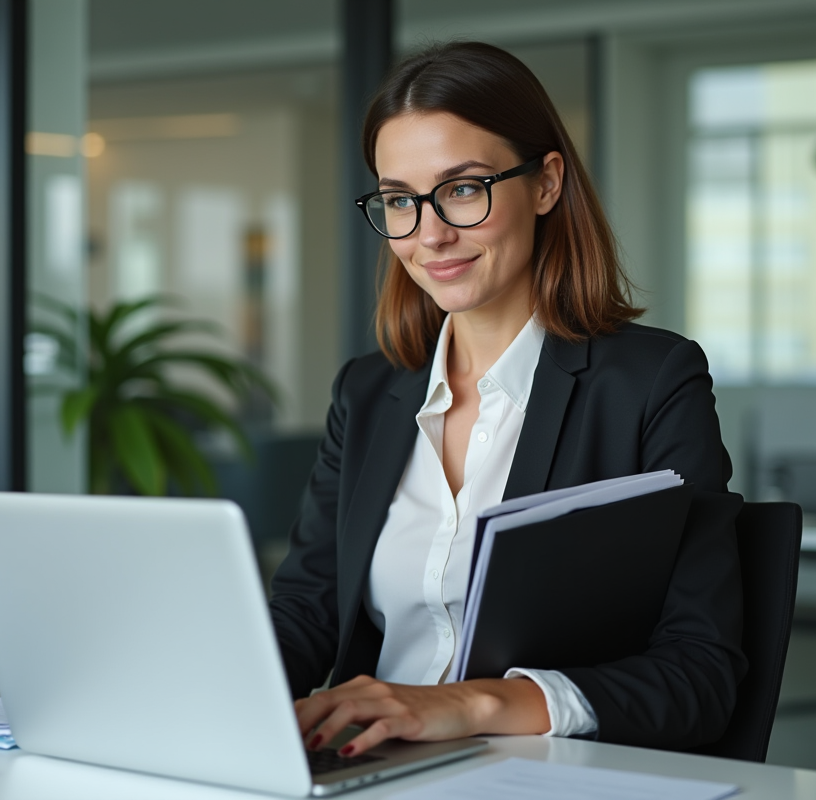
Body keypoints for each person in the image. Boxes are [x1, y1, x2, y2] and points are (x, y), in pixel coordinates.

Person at [268, 41, 745, 758]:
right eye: (400, 200)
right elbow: (306, 611)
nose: (429, 234)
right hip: (367, 767)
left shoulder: (651, 384)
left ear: (546, 183)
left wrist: (472, 703)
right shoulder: (367, 393)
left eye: (463, 189)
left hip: (535, 774)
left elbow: (700, 673)